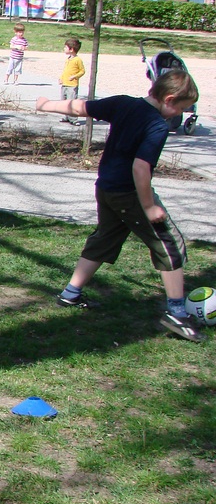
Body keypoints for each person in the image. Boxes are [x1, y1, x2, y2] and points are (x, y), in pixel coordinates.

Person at [34, 69, 201, 343]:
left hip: (106, 189)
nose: (178, 115)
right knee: (169, 244)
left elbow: (80, 107)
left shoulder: (123, 103)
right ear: (169, 99)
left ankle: (70, 293)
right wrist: (148, 207)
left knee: (106, 237)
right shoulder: (156, 125)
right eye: (180, 109)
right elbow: (140, 167)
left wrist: (45, 104)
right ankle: (177, 314)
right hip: (129, 194)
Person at [59, 37, 87, 124]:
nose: (64, 49)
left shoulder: (77, 60)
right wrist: (61, 78)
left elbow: (82, 71)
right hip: (64, 84)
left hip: (72, 85)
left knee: (72, 102)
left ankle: (73, 119)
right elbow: (65, 70)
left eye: (65, 47)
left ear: (71, 49)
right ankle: (66, 116)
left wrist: (75, 76)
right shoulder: (68, 59)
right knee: (64, 101)